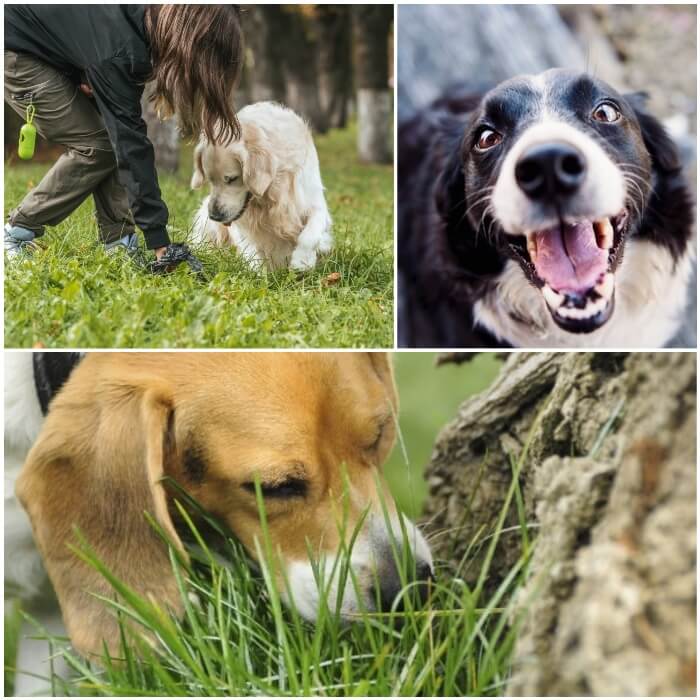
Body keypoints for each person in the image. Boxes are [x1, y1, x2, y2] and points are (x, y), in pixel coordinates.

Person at [4, 4, 243, 271]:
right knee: (97, 145)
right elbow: (131, 143)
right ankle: (15, 233)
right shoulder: (121, 49)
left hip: (45, 47)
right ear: (188, 40)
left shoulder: (142, 27)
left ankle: (118, 244)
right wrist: (159, 240)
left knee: (110, 138)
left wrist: (81, 69)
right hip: (17, 50)